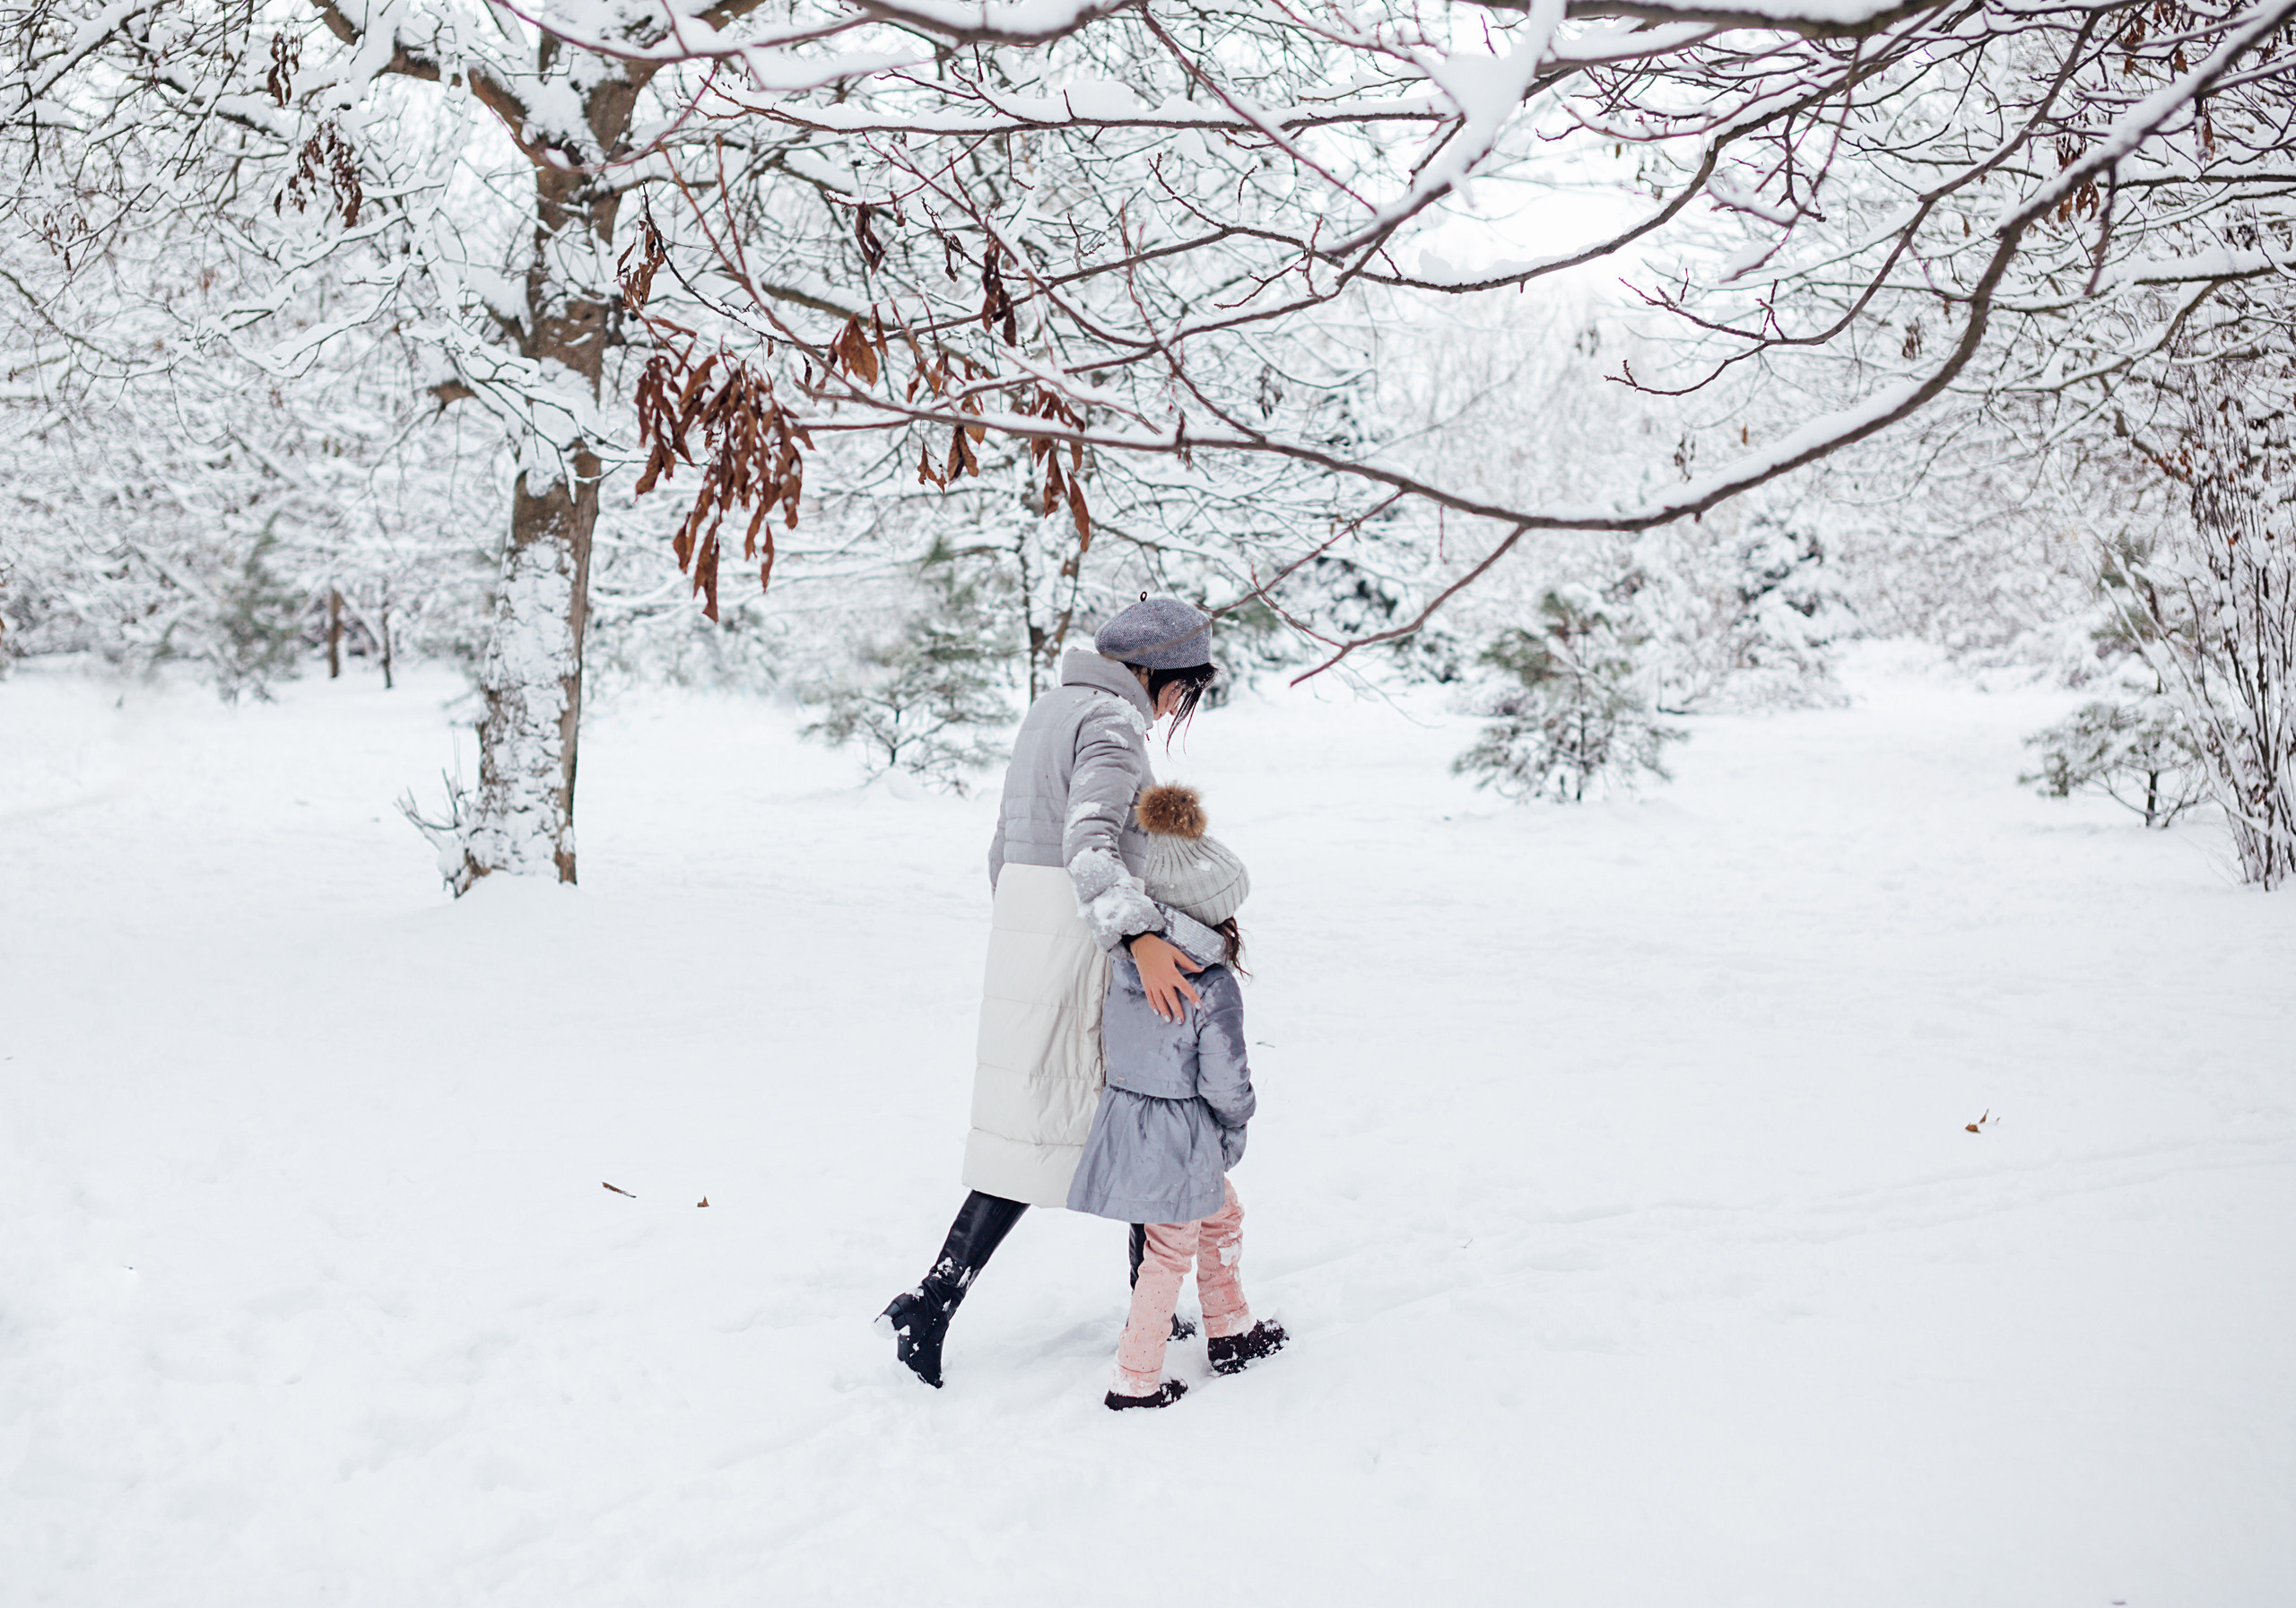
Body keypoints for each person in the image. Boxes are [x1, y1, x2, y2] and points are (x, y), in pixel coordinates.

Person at [878, 597, 1228, 1388]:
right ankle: (941, 1303)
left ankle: (950, 1298)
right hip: (1083, 944)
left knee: (1040, 1132)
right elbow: (1092, 844)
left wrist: (1030, 928)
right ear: (1154, 672)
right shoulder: (1109, 723)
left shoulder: (1052, 709)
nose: (1180, 706)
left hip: (1029, 938)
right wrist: (1139, 936)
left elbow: (1004, 847)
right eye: (1185, 688)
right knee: (1144, 1111)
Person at [1068, 782, 1287, 1409]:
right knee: (1169, 1249)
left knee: (1220, 1215)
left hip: (1131, 1120)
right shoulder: (1210, 982)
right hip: (1183, 1137)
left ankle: (1231, 1328)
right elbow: (1225, 1079)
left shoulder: (1131, 961)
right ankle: (1136, 1378)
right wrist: (1236, 1118)